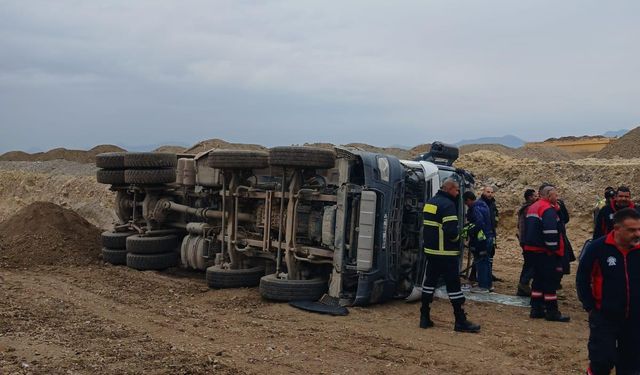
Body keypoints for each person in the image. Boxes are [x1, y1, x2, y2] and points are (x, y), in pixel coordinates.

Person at [577, 208, 640, 375]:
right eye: (632, 230)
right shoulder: (597, 248)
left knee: (632, 366)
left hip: (635, 318)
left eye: (639, 229)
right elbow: (582, 278)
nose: (637, 233)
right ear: (617, 229)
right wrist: (590, 306)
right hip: (605, 317)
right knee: (602, 361)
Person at [420, 178, 480, 333]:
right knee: (454, 287)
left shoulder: (431, 202)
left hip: (431, 252)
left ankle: (424, 317)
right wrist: (460, 237)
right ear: (450, 189)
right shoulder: (448, 205)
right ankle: (460, 321)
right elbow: (451, 231)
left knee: (429, 283)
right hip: (446, 253)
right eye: (457, 190)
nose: (458, 193)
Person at [523, 184, 570, 322]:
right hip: (545, 251)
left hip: (532, 250)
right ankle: (552, 311)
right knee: (550, 281)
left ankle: (536, 308)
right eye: (556, 195)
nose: (557, 197)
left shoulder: (533, 207)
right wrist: (554, 250)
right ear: (549, 196)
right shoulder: (547, 209)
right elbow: (550, 232)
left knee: (538, 280)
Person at [463, 191, 492, 293]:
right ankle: (488, 285)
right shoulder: (483, 205)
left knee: (481, 262)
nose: (466, 205)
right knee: (486, 261)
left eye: (466, 203)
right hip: (488, 237)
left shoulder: (475, 208)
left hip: (481, 239)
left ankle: (483, 286)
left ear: (469, 200)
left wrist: (468, 230)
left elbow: (479, 223)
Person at [516, 188, 538, 296]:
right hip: (528, 241)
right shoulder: (529, 209)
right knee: (532, 265)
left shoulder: (524, 208)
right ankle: (523, 284)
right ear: (530, 197)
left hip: (525, 241)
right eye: (534, 196)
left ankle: (522, 287)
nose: (537, 198)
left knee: (528, 264)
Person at [480, 186, 500, 281]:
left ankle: (488, 273)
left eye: (491, 192)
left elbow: (495, 216)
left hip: (492, 232)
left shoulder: (492, 204)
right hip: (483, 233)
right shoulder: (480, 203)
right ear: (483, 192)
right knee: (481, 255)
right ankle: (479, 276)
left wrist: (495, 223)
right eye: (488, 192)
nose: (490, 194)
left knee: (491, 253)